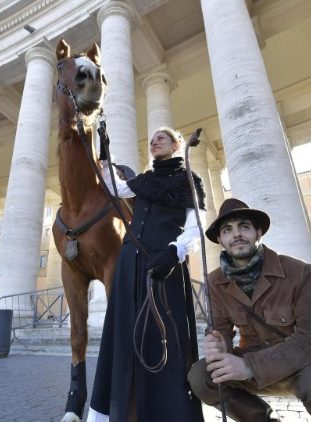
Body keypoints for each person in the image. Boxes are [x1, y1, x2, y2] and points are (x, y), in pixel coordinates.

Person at [188, 198, 311, 422]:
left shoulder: (297, 271)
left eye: (244, 227)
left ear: (258, 232)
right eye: (227, 230)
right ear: (220, 239)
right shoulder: (215, 282)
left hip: (304, 364)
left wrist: (249, 366)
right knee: (201, 375)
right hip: (252, 364)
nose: (236, 235)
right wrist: (219, 345)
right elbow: (222, 332)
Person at [87, 127, 205, 421]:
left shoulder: (189, 178)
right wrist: (105, 150)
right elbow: (114, 187)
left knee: (164, 335)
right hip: (130, 264)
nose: (154, 142)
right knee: (123, 333)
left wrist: (174, 252)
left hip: (165, 264)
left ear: (177, 144)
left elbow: (196, 224)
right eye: (151, 140)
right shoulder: (145, 180)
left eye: (161, 138)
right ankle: (119, 408)